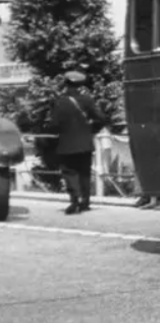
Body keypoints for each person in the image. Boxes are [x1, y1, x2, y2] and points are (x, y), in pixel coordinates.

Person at [44, 71, 107, 215]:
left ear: (66, 83)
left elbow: (54, 125)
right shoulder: (87, 100)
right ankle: (85, 202)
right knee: (84, 173)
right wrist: (91, 130)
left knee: (69, 172)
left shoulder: (59, 102)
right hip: (85, 144)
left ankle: (75, 200)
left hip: (66, 144)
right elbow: (102, 119)